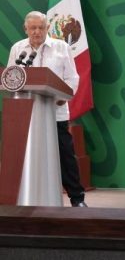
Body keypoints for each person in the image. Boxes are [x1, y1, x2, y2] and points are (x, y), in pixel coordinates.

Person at [7, 11, 87, 207]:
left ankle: (77, 200)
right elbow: (10, 78)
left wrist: (60, 99)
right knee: (23, 156)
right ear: (25, 29)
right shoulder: (18, 49)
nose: (37, 32)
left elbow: (72, 79)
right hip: (25, 115)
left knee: (65, 157)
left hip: (56, 114)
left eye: (41, 28)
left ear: (47, 28)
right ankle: (21, 198)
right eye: (32, 28)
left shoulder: (61, 47)